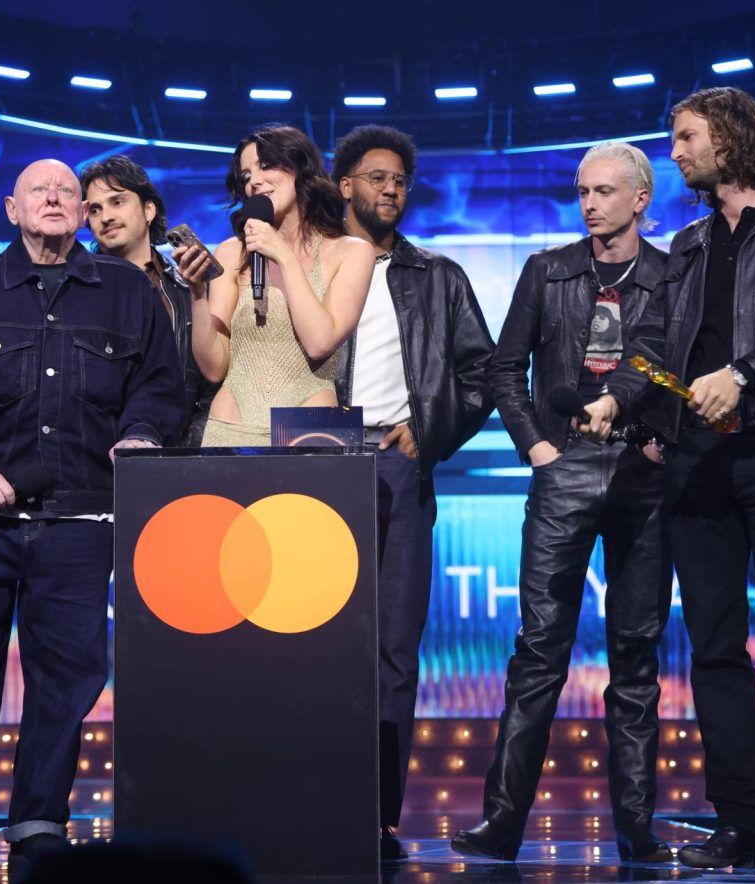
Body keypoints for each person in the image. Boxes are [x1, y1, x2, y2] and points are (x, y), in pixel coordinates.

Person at [0, 159, 185, 875]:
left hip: (82, 521)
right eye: (38, 190)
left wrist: (141, 434)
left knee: (66, 677)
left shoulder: (128, 293)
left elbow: (160, 387)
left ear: (82, 213)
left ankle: (37, 822)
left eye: (66, 192)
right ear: (11, 208)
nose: (53, 198)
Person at [593, 87, 755, 875]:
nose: (675, 152)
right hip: (696, 460)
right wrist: (628, 409)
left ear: (730, 138)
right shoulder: (691, 243)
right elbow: (659, 346)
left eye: (686, 137)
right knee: (712, 649)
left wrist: (740, 375)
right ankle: (742, 823)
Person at [453, 142, 673, 864]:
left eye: (604, 191)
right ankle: (502, 824)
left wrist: (657, 437)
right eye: (582, 191)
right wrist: (537, 448)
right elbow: (502, 368)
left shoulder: (671, 275)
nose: (590, 204)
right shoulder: (546, 270)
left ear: (640, 198)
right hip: (565, 466)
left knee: (636, 654)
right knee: (539, 651)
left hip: (643, 471)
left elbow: (669, 363)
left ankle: (637, 829)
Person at [328, 125, 495, 862]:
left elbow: (484, 374)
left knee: (394, 648)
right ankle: (308, 801)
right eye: (376, 177)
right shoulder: (312, 265)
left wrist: (428, 434)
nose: (391, 189)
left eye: (399, 179)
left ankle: (377, 818)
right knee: (316, 643)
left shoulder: (437, 276)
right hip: (315, 464)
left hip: (398, 466)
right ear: (344, 186)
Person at [189, 125, 372, 446]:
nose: (254, 181)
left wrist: (283, 256)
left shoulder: (352, 252)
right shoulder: (232, 252)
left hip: (311, 429)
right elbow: (214, 368)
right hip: (231, 428)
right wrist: (197, 294)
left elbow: (320, 342)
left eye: (265, 165)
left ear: (299, 168)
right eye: (246, 176)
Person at [80, 154, 217, 444]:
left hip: (178, 452)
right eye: (94, 209)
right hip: (98, 454)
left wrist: (187, 450)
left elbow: (213, 386)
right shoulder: (76, 290)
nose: (106, 217)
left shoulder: (190, 287)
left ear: (148, 210)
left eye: (118, 202)